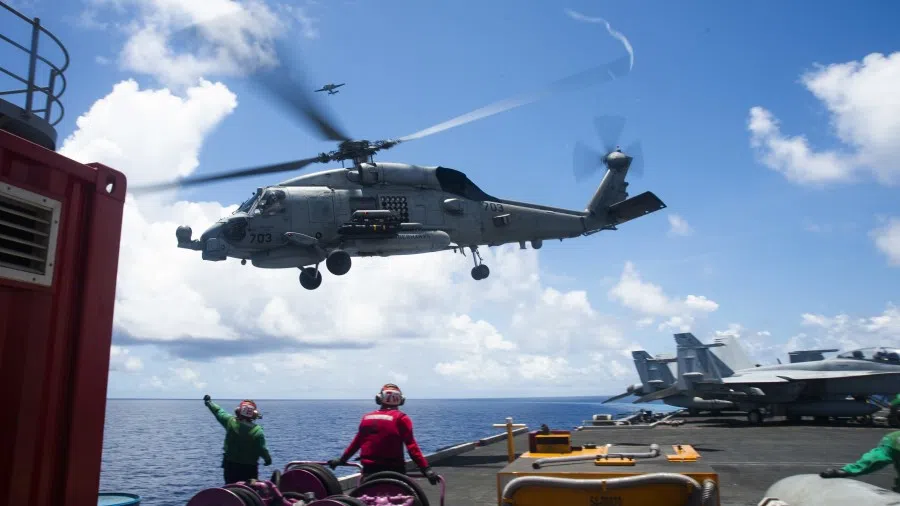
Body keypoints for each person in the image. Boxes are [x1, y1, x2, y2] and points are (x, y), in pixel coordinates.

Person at [328, 383, 439, 485]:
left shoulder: (366, 418)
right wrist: (426, 469)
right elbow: (412, 448)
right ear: (401, 400)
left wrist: (342, 460)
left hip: (369, 472)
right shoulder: (401, 419)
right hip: (394, 472)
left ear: (379, 399)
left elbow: (356, 443)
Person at [204, 394, 273, 484]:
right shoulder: (258, 431)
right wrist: (268, 460)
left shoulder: (230, 422)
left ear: (238, 411)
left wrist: (209, 402)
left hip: (230, 467)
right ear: (254, 414)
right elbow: (262, 449)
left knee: (232, 490)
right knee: (248, 493)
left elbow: (218, 411)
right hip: (249, 470)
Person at [820, 430, 900, 492]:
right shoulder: (894, 439)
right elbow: (878, 456)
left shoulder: (893, 438)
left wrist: (846, 471)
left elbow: (878, 456)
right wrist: (846, 471)